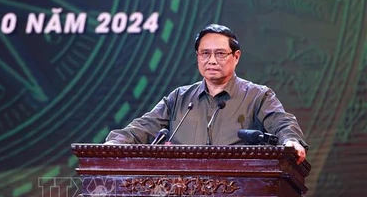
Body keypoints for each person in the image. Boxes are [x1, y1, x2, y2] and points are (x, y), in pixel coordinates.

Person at [105, 24, 308, 164]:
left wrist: (291, 141)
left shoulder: (258, 96)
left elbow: (283, 124)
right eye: (205, 53)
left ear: (236, 57)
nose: (211, 60)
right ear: (198, 57)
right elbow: (143, 127)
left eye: (220, 54)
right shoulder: (179, 99)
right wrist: (114, 143)